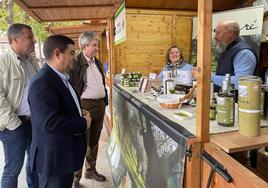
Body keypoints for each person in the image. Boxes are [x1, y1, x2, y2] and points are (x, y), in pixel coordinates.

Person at [28, 35, 91, 188]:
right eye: (71, 53)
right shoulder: (42, 82)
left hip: (63, 157)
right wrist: (83, 122)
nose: (75, 58)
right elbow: (50, 123)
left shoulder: (61, 77)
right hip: (54, 161)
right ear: (57, 53)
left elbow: (61, 105)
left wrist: (78, 110)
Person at [0, 23, 39, 188]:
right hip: (14, 126)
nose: (34, 41)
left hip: (35, 122)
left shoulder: (32, 60)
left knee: (34, 164)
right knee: (12, 170)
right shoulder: (3, 62)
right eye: (29, 37)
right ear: (15, 40)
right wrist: (14, 124)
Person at [69, 31, 108, 185]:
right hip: (85, 107)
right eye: (94, 45)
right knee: (81, 143)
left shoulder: (96, 62)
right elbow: (71, 86)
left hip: (99, 105)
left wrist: (104, 100)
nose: (97, 48)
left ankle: (91, 171)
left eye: (96, 45)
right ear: (85, 46)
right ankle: (76, 178)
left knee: (94, 141)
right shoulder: (76, 62)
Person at [212, 20, 257, 92]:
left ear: (230, 33)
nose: (215, 36)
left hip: (237, 102)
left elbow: (240, 83)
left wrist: (208, 77)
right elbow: (223, 73)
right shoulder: (226, 50)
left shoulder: (244, 53)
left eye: (218, 32)